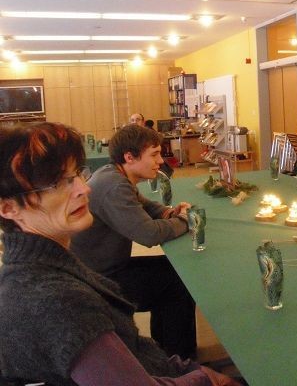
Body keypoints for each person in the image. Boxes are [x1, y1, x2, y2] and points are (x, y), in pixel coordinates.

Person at [0, 122, 237, 385]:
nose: (83, 188)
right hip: (111, 272)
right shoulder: (56, 301)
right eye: (57, 183)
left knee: (173, 279)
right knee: (173, 283)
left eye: (77, 174)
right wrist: (205, 379)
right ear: (8, 208)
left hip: (112, 280)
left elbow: (133, 355)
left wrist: (185, 371)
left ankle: (178, 352)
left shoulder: (47, 272)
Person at [70, 124, 196, 359]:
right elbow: (149, 234)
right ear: (130, 157)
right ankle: (179, 360)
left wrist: (169, 212)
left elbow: (146, 206)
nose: (160, 161)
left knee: (176, 274)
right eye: (154, 154)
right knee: (177, 284)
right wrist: (185, 221)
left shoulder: (114, 174)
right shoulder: (114, 186)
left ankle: (168, 354)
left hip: (104, 269)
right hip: (99, 281)